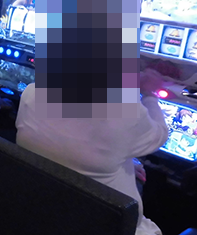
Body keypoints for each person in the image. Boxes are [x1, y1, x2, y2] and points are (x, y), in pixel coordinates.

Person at [15, 69, 169, 235]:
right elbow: (160, 134)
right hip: (112, 225)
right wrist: (149, 94)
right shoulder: (126, 111)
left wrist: (123, 160)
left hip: (41, 210)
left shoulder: (32, 92)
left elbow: (69, 144)